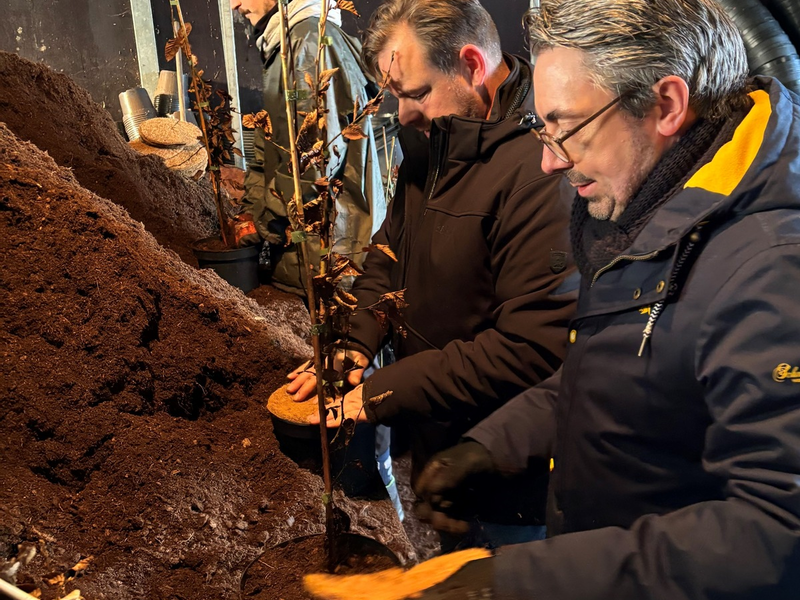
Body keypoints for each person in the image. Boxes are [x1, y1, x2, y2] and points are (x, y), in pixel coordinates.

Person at [400, 0, 800, 597]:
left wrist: (523, 581)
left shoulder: (769, 268)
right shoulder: (647, 210)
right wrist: (495, 444)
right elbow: (616, 371)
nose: (548, 159)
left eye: (567, 127)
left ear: (667, 105)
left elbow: (777, 535)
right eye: (542, 127)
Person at [288, 0, 576, 546]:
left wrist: (384, 391)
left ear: (471, 64)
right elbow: (390, 250)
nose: (402, 114)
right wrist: (357, 340)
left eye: (416, 93)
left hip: (506, 473)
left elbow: (532, 347)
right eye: (396, 96)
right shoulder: (434, 142)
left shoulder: (541, 168)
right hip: (442, 441)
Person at [230, 0, 386, 295]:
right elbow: (271, 142)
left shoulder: (306, 44)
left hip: (324, 252)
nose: (234, 4)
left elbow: (313, 161)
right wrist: (252, 210)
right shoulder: (288, 43)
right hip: (311, 250)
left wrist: (265, 223)